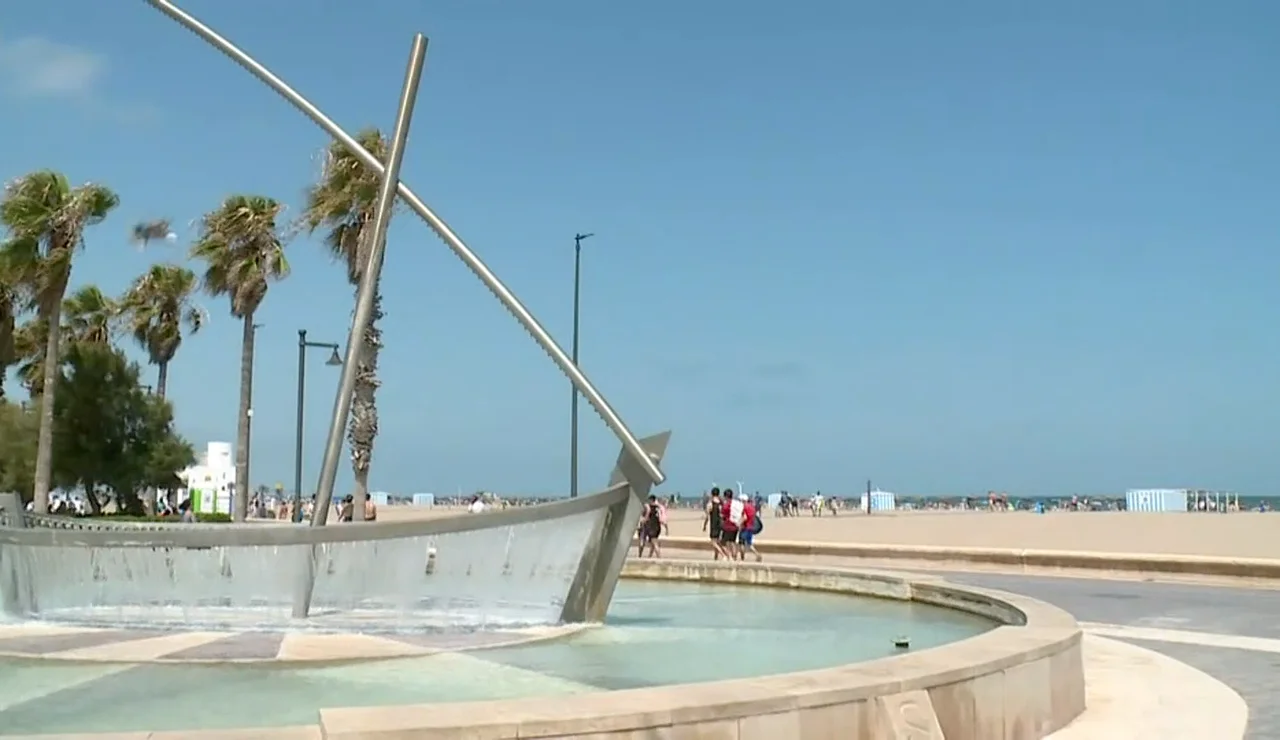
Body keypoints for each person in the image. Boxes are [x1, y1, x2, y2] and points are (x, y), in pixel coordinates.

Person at [722, 491, 748, 560]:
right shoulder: (737, 504)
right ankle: (734, 557)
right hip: (736, 526)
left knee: (725, 543)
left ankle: (729, 557)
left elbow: (722, 516)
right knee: (733, 542)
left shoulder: (726, 505)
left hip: (728, 526)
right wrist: (739, 523)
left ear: (725, 496)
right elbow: (744, 516)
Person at [703, 487, 726, 560]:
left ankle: (723, 555)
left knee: (713, 541)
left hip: (714, 524)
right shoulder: (722, 503)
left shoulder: (710, 504)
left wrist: (704, 525)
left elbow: (707, 516)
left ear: (711, 494)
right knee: (718, 541)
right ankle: (716, 557)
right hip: (721, 523)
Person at [739, 494, 763, 562]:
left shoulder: (745, 508)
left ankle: (742, 559)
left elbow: (745, 517)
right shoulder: (752, 507)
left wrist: (739, 524)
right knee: (749, 544)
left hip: (745, 527)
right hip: (751, 527)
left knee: (741, 543)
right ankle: (757, 554)